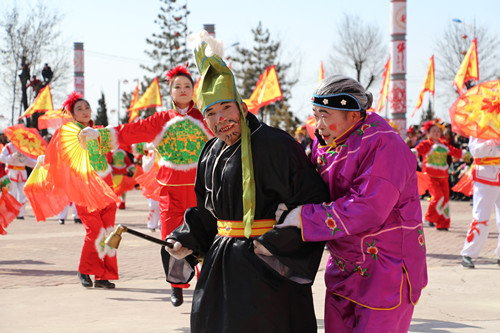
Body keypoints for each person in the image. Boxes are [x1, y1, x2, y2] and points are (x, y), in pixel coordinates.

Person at [161, 31, 329, 333]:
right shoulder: (210, 151)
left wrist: (275, 244)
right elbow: (209, 214)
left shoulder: (277, 145)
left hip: (267, 266)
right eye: (210, 112)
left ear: (240, 105)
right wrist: (186, 239)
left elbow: (312, 202)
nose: (220, 118)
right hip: (221, 267)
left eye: (226, 107)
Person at [276, 75, 428, 332]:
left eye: (325, 115)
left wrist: (305, 217)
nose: (318, 125)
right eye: (315, 114)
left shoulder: (384, 144)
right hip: (344, 265)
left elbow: (368, 207)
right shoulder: (325, 143)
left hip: (385, 268)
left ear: (353, 116)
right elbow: (316, 189)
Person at [80, 64, 213, 306]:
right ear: (170, 92)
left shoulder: (205, 117)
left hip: (200, 190)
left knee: (206, 238)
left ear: (194, 90)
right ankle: (177, 287)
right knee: (172, 240)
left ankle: (208, 286)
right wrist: (99, 136)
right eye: (177, 87)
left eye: (187, 86)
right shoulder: (161, 119)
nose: (183, 90)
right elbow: (132, 131)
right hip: (169, 190)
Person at [45, 93, 119, 289]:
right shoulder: (68, 134)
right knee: (94, 232)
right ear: (72, 115)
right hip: (85, 188)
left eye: (87, 107)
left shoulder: (98, 131)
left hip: (106, 185)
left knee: (109, 233)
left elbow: (116, 143)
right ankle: (84, 270)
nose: (85, 111)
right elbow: (59, 157)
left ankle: (103, 276)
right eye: (79, 109)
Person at [413, 120, 470, 230]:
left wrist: (465, 154)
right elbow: (417, 151)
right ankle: (429, 217)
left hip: (443, 177)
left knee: (445, 200)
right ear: (428, 133)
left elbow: (454, 151)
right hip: (430, 177)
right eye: (433, 131)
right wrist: (410, 153)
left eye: (438, 131)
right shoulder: (426, 144)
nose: (436, 133)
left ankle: (443, 224)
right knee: (438, 196)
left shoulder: (443, 144)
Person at [460, 137, 500, 268]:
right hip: (485, 175)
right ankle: (469, 253)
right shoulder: (479, 127)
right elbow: (475, 151)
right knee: (481, 217)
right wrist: (490, 142)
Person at [0, 141, 37, 219]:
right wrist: (12, 156)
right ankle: (9, 211)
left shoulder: (26, 147)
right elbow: (2, 158)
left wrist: (39, 162)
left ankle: (20, 213)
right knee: (12, 193)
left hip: (22, 173)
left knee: (23, 193)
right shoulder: (9, 146)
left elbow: (28, 161)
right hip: (11, 172)